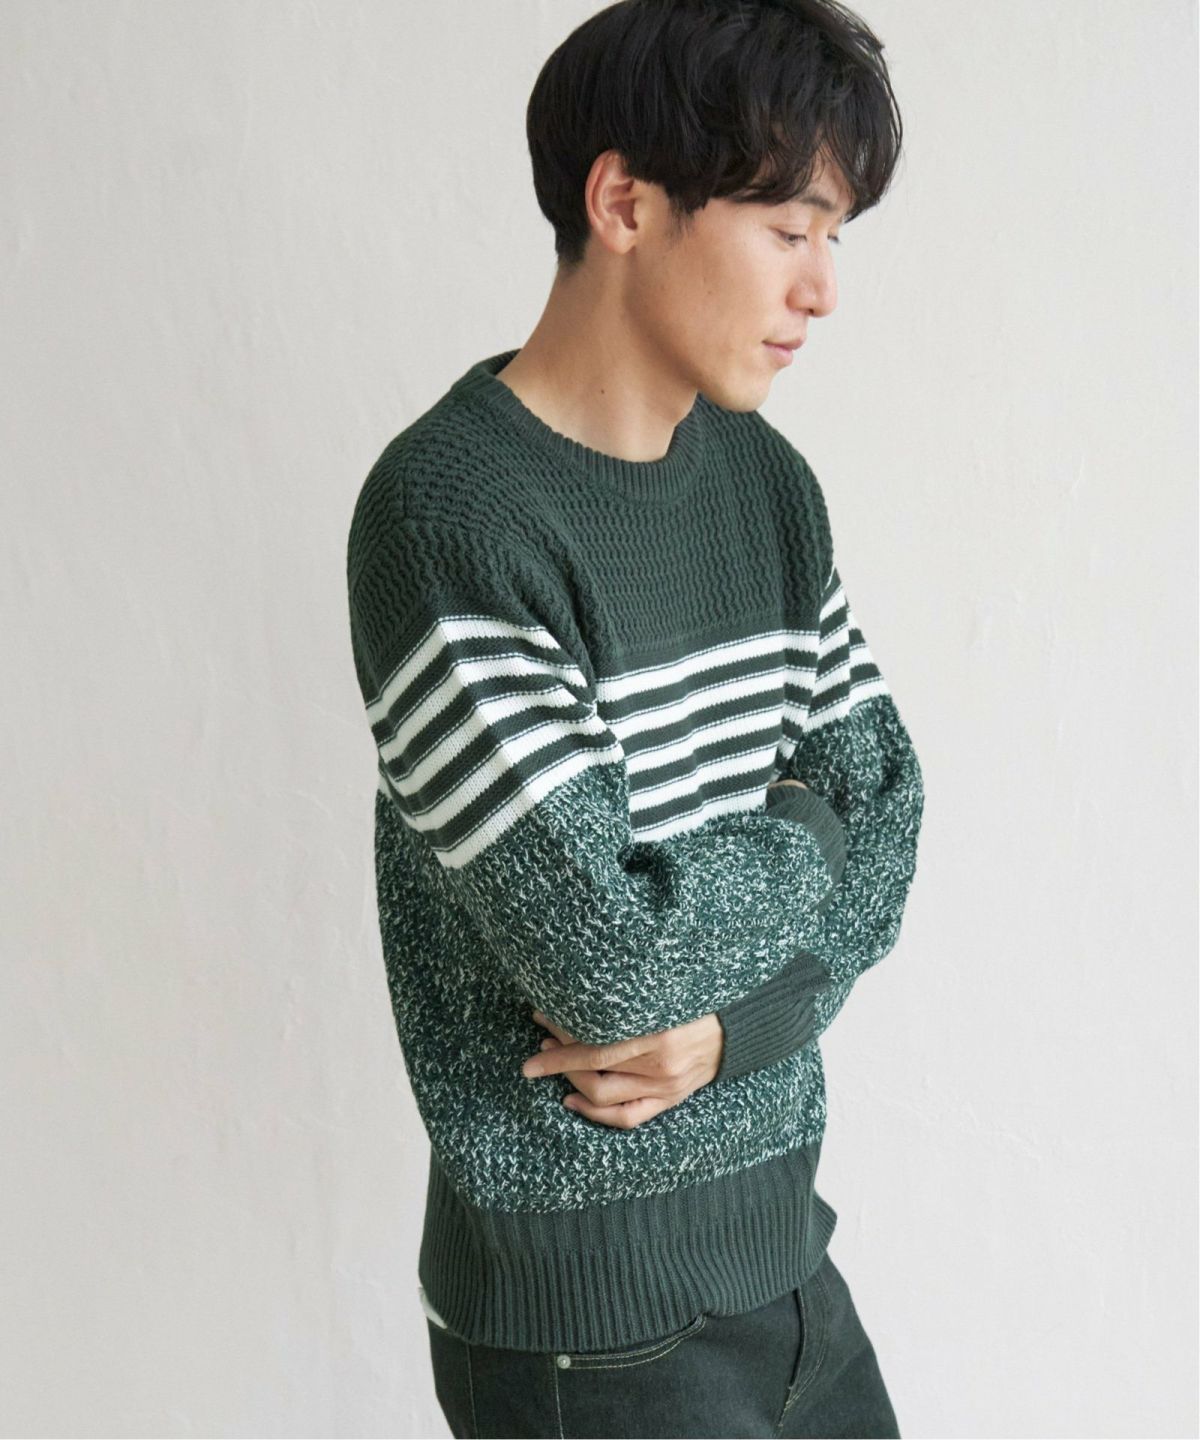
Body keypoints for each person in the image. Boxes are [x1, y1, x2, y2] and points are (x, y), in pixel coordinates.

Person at [344, 0, 923, 1434]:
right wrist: (806, 826)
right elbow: (609, 961)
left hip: (788, 1261)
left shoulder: (766, 487)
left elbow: (893, 819)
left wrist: (739, 1029)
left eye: (834, 237)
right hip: (587, 1335)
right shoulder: (450, 519)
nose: (824, 288)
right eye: (789, 229)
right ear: (624, 204)